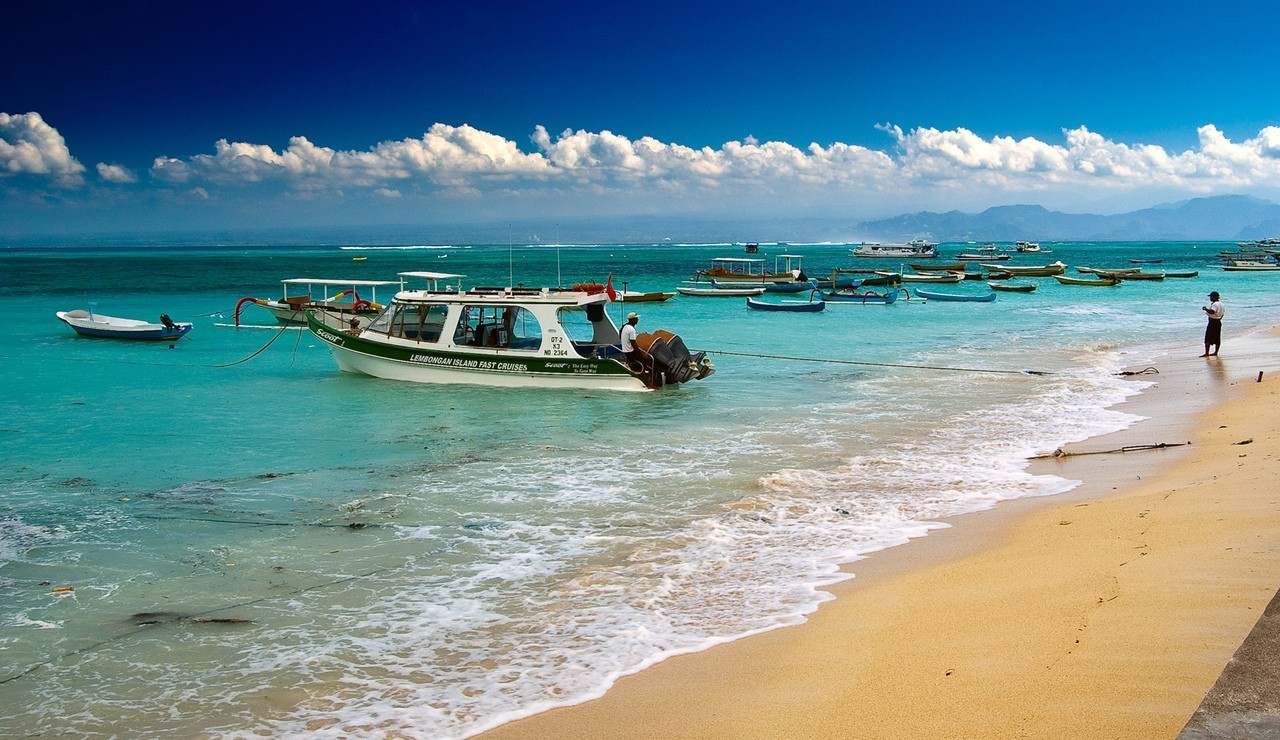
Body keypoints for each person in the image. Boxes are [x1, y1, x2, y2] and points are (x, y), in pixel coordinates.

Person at [1201, 291, 1224, 357]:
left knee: (1208, 337)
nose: (1210, 298)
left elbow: (1212, 312)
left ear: (1214, 297)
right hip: (1218, 322)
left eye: (1211, 296)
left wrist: (1206, 309)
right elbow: (1222, 314)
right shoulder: (1221, 304)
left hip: (1212, 322)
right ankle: (1216, 352)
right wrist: (1218, 318)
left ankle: (1206, 353)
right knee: (1217, 337)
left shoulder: (1215, 304)